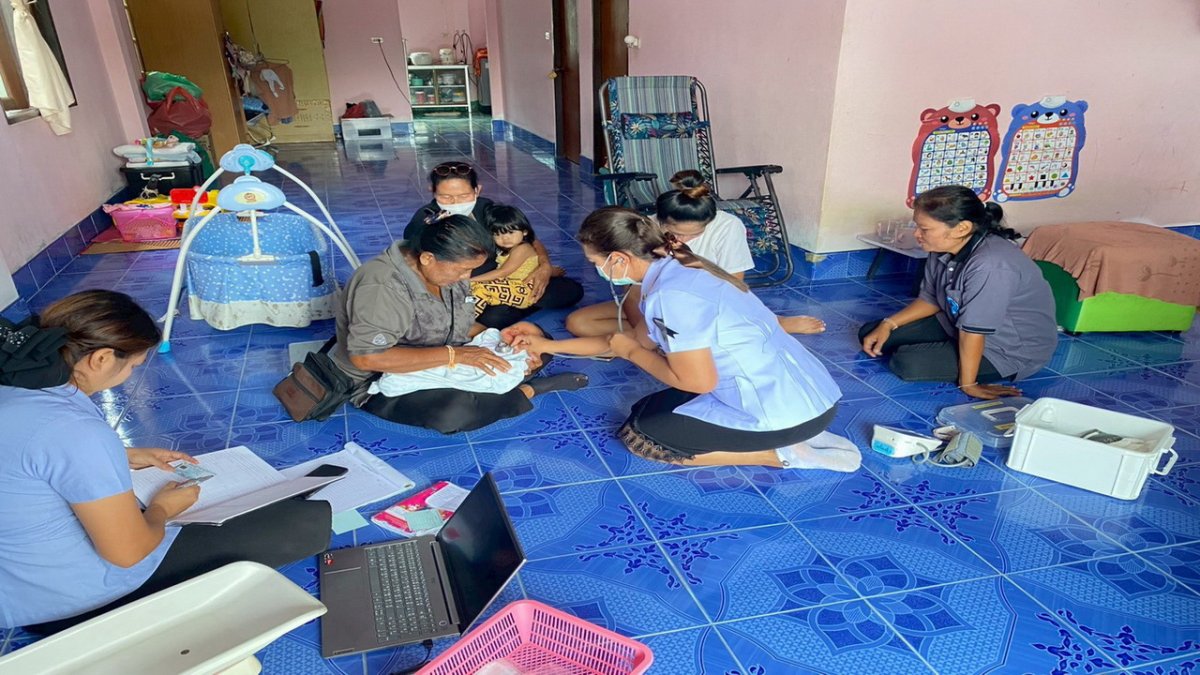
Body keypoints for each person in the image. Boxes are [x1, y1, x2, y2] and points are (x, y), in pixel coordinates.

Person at [0, 290, 331, 633]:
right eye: (132, 366)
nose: (130, 374)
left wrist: (123, 455)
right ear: (101, 359)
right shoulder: (76, 432)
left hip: (16, 590)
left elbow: (27, 458)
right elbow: (128, 554)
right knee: (304, 521)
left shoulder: (15, 383)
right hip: (72, 602)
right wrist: (162, 509)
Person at [507, 206, 860, 471]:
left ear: (617, 259)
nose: (596, 269)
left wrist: (630, 353)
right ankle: (796, 434)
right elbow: (627, 339)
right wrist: (545, 345)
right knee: (643, 412)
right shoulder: (683, 268)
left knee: (641, 439)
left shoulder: (670, 297)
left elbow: (696, 381)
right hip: (811, 396)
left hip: (783, 413)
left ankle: (783, 454)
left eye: (594, 261)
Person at [331, 215, 587, 435]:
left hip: (445, 352)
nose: (468, 278)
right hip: (379, 378)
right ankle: (529, 390)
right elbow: (367, 359)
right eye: (463, 270)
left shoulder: (446, 270)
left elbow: (458, 324)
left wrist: (504, 341)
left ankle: (505, 381)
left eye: (471, 270)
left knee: (540, 343)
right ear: (427, 258)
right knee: (455, 412)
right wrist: (456, 355)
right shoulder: (382, 287)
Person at [565, 170, 825, 337]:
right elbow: (634, 295)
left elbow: (734, 286)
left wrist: (646, 339)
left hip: (707, 304)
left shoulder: (728, 226)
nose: (683, 240)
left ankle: (770, 323)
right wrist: (643, 333)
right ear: (660, 221)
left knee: (694, 327)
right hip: (656, 305)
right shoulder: (644, 230)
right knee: (578, 323)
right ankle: (669, 337)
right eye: (676, 233)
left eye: (694, 234)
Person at [858, 185, 1057, 399]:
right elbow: (931, 298)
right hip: (956, 323)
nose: (917, 234)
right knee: (871, 333)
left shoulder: (990, 265)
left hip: (1006, 349)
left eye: (924, 229)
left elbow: (974, 331)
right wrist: (888, 324)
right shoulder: (942, 248)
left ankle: (957, 359)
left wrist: (969, 384)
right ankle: (946, 349)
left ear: (961, 228)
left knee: (906, 363)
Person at [403, 161, 584, 327]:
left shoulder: (484, 209)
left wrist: (544, 266)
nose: (456, 202)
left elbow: (529, 240)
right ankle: (516, 303)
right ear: (432, 191)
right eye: (446, 197)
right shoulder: (425, 220)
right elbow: (417, 267)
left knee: (570, 291)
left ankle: (517, 300)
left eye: (464, 195)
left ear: (477, 190)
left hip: (506, 278)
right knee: (492, 317)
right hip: (457, 285)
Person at [469, 205, 542, 318]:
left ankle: (465, 320)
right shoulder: (507, 249)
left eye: (511, 232)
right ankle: (463, 314)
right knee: (474, 287)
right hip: (510, 286)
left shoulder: (523, 248)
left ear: (525, 231)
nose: (505, 238)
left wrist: (469, 280)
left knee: (480, 289)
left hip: (524, 290)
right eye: (498, 234)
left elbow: (503, 272)